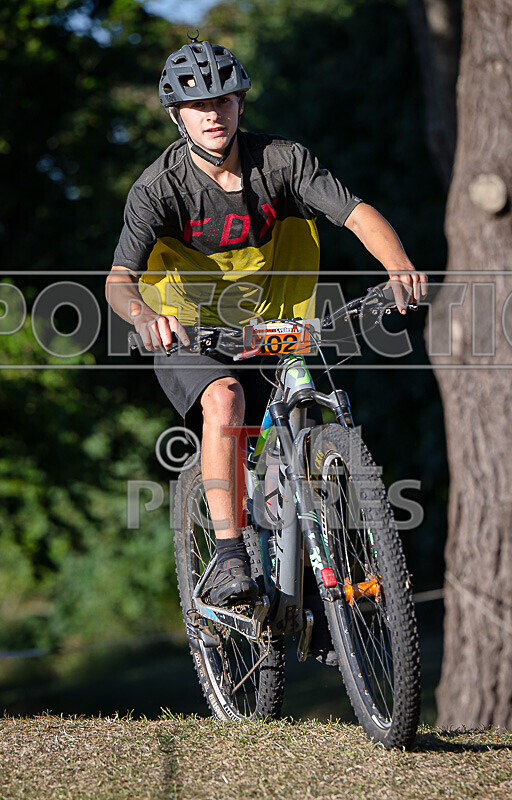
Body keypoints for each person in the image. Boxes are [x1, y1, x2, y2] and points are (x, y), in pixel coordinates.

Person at [105, 37, 427, 661]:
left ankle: (321, 599)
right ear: (177, 115)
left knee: (299, 443)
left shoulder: (281, 162)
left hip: (275, 323)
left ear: (240, 103)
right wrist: (144, 316)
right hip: (189, 327)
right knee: (224, 399)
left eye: (221, 100)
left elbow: (355, 213)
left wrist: (399, 265)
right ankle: (229, 557)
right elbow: (119, 280)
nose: (211, 114)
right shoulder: (158, 187)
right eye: (196, 105)